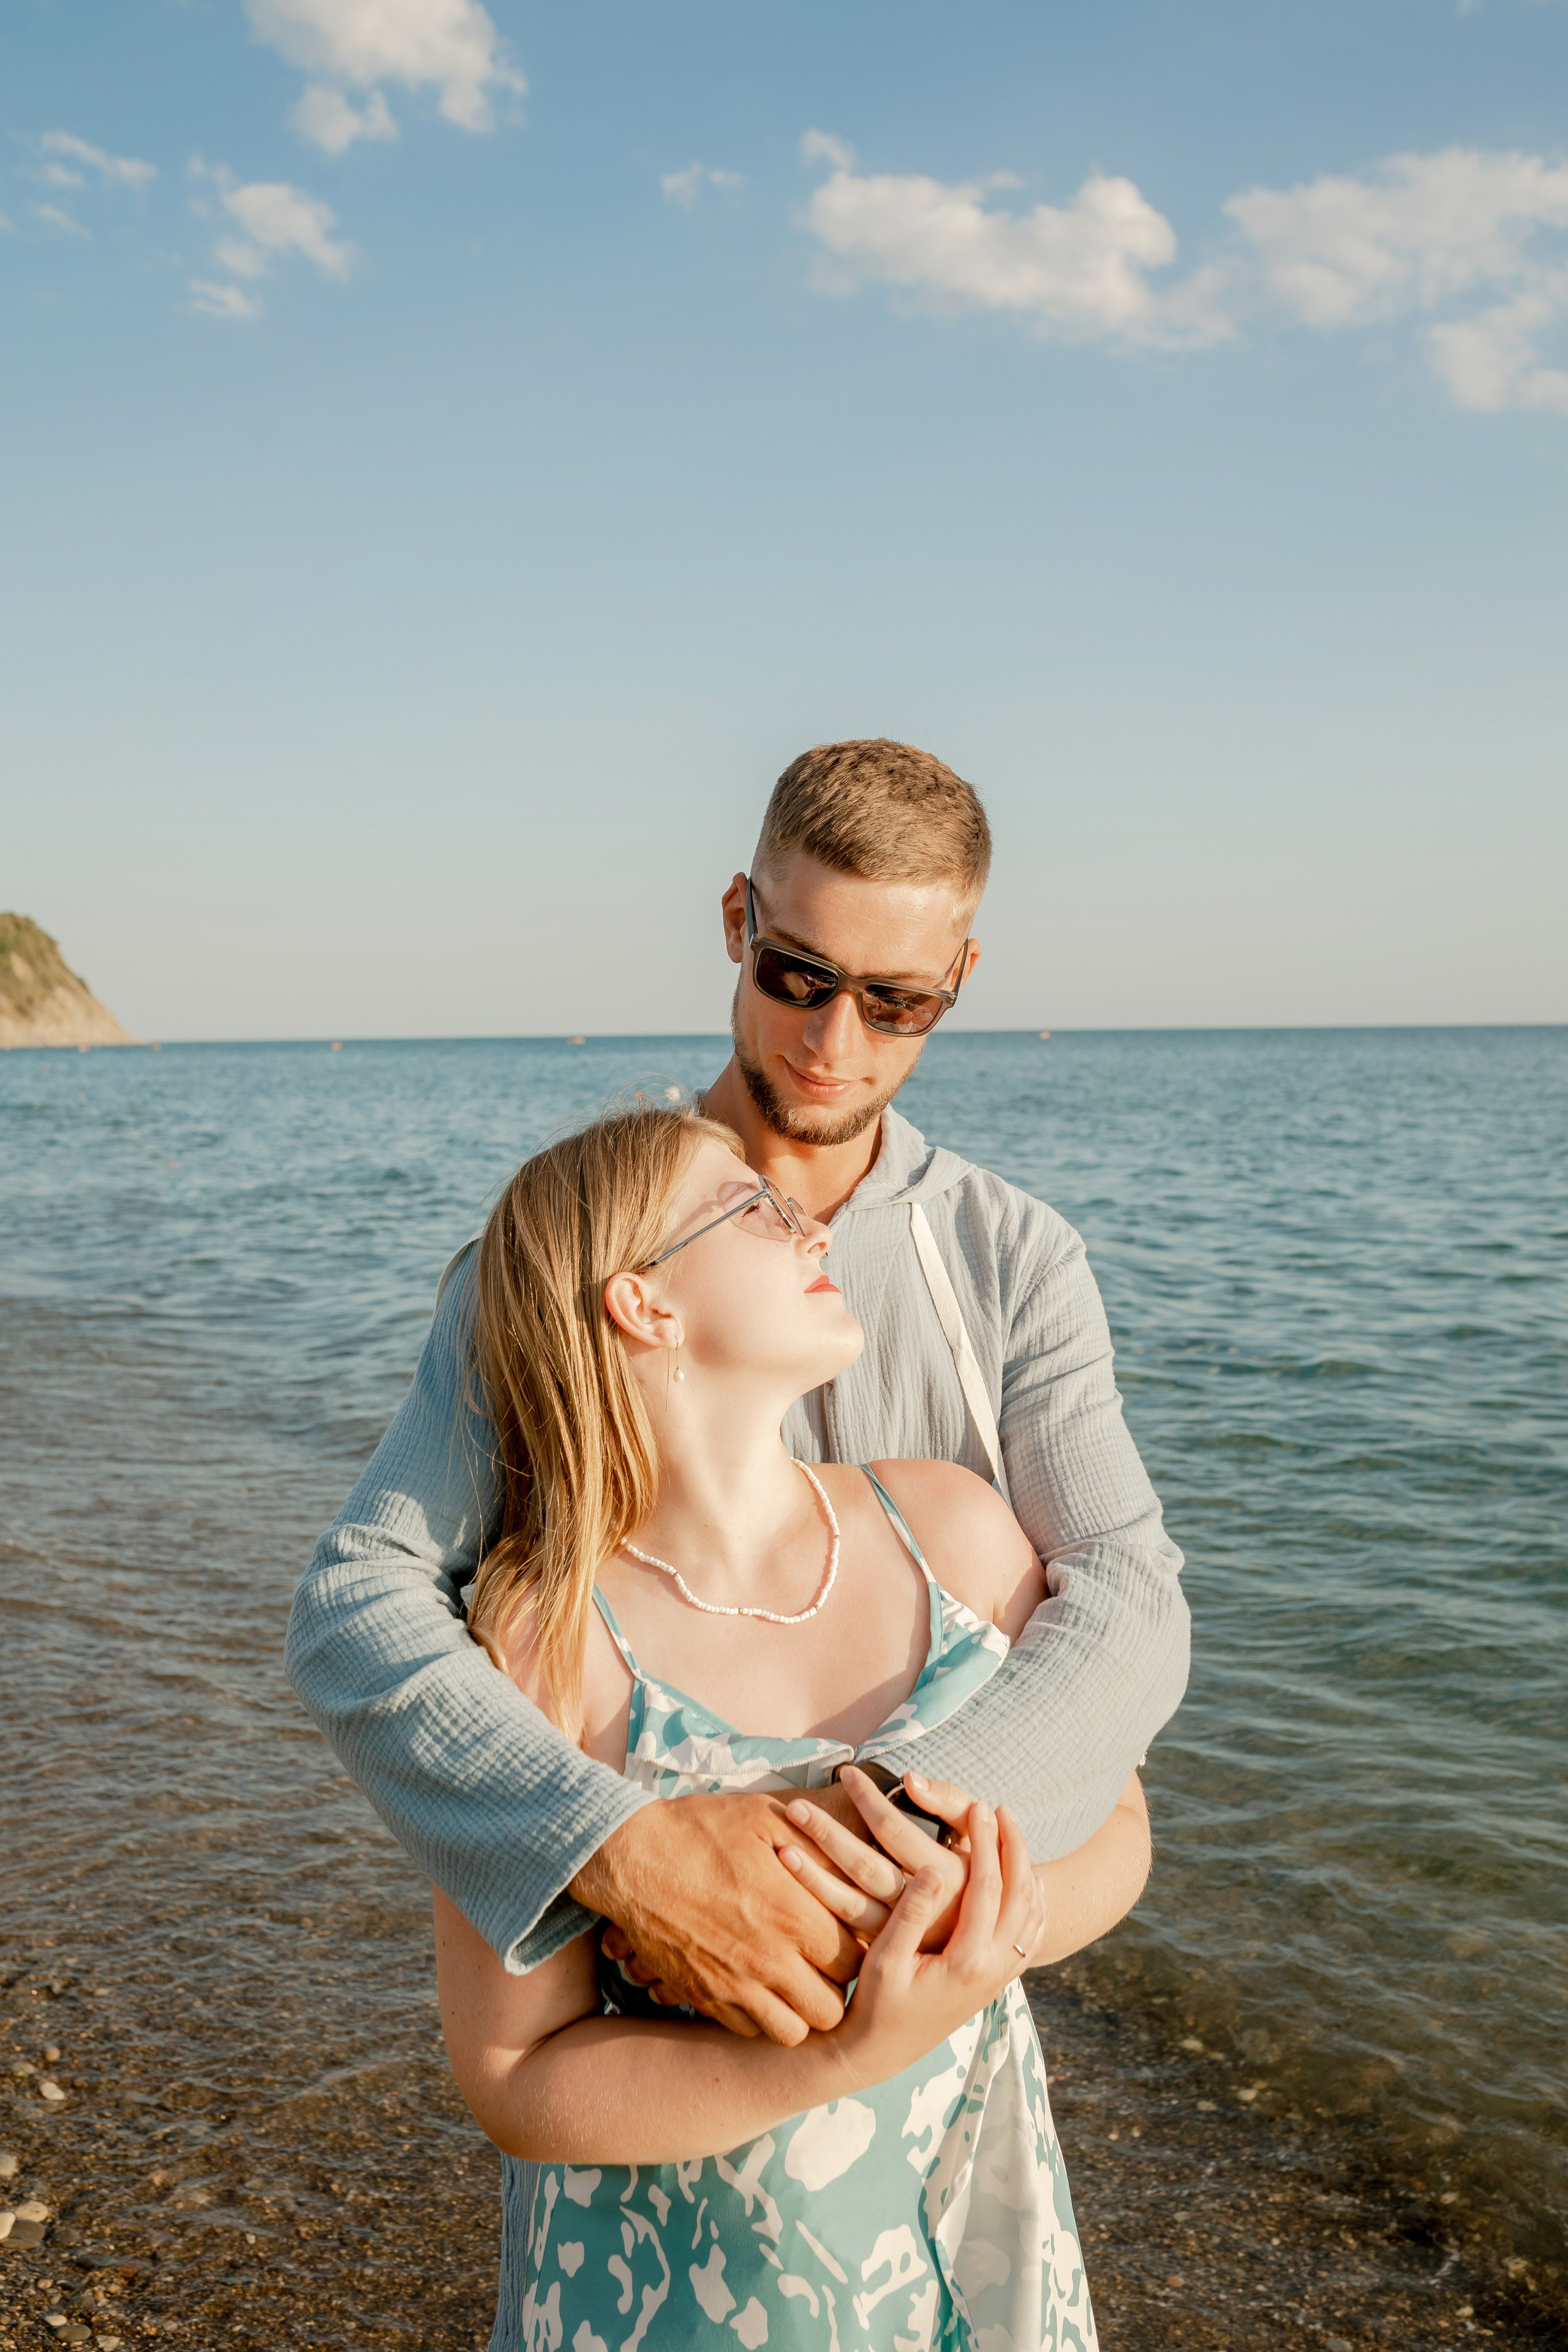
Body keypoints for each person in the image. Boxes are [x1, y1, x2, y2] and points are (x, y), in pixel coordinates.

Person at [286, 737, 1188, 2040]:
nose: (833, 1043)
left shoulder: (1014, 1260)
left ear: (958, 981)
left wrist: (857, 1857)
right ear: (735, 921)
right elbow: (360, 1597)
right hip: (640, 2038)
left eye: (897, 1003)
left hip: (936, 2010)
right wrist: (617, 1850)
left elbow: (1125, 1594)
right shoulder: (570, 1253)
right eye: (797, 975)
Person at [436, 1101, 1150, 2349]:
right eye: (756, 1212)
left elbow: (1118, 1827)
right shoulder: (544, 1639)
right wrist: (830, 2057)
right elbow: (519, 2080)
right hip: (675, 2293)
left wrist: (959, 1932)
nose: (811, 1225)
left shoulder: (952, 1531)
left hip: (969, 2244)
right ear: (644, 1305)